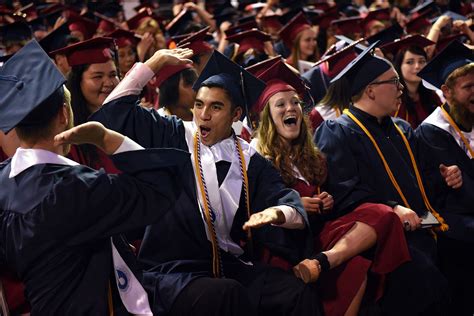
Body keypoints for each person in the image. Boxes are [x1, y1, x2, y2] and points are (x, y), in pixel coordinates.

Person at [91, 49, 323, 316]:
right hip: (173, 269)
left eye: (216, 107)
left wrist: (278, 213)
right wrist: (154, 63)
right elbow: (112, 112)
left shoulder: (251, 160)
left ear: (236, 114)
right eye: (199, 104)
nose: (203, 115)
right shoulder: (173, 135)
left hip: (229, 265)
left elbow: (286, 200)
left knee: (295, 293)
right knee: (225, 293)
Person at [0, 40, 189, 315]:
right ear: (65, 115)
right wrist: (107, 138)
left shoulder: (4, 181)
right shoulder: (73, 188)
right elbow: (159, 189)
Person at [252, 59, 411, 316]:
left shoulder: (311, 156)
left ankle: (324, 261)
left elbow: (333, 207)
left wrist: (324, 203)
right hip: (283, 247)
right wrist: (294, 206)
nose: (290, 108)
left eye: (295, 103)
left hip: (316, 243)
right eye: (280, 104)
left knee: (382, 213)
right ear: (268, 117)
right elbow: (255, 216)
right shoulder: (257, 159)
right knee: (357, 266)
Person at [314, 43, 452, 316]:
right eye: (394, 82)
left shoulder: (401, 129)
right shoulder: (337, 132)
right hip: (381, 241)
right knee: (424, 279)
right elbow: (345, 193)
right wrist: (392, 207)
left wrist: (446, 176)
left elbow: (423, 178)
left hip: (424, 227)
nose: (400, 89)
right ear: (370, 90)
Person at [416, 40, 474, 315]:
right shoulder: (432, 132)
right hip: (447, 217)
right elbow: (457, 191)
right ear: (446, 92)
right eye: (469, 88)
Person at [50, 37, 120, 171]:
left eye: (113, 75)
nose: (109, 83)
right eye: (98, 76)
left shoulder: (127, 120)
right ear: (78, 82)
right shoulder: (69, 135)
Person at [382, 35, 441, 127]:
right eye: (410, 62)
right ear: (399, 66)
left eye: (422, 61)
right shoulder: (393, 101)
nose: (417, 66)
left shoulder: (432, 96)